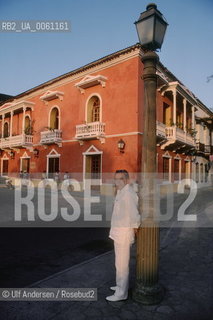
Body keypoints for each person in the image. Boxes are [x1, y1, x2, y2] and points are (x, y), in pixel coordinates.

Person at [106, 169, 141, 302]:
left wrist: (135, 229)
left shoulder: (128, 194)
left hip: (124, 233)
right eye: (115, 178)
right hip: (118, 232)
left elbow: (134, 214)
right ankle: (120, 286)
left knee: (122, 265)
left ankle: (121, 294)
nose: (116, 181)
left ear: (126, 180)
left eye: (119, 179)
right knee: (118, 263)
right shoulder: (121, 192)